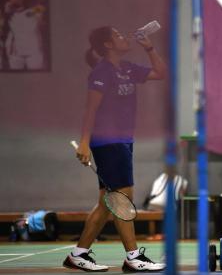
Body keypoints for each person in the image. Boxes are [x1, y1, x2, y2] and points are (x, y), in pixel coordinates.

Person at [62, 26, 167, 272]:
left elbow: (160, 73)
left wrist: (149, 47)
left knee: (106, 203)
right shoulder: (101, 72)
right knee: (122, 199)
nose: (123, 36)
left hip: (123, 139)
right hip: (107, 141)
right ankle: (133, 257)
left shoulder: (128, 68)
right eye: (118, 35)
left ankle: (78, 255)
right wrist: (85, 142)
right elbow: (90, 110)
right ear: (108, 44)